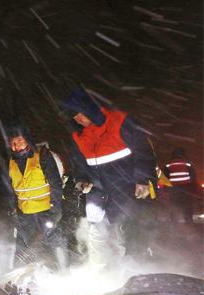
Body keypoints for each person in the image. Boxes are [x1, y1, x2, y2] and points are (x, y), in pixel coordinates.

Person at [60, 90, 157, 271]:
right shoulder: (78, 136)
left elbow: (142, 151)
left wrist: (143, 179)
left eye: (79, 114)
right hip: (97, 190)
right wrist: (82, 179)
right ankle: (101, 270)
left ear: (89, 108)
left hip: (125, 187)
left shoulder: (120, 121)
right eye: (74, 117)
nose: (77, 120)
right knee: (96, 232)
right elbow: (79, 162)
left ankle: (131, 272)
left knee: (126, 230)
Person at [1, 120, 69, 272]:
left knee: (55, 240)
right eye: (12, 142)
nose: (16, 146)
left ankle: (64, 272)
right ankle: (33, 273)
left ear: (27, 139)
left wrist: (56, 210)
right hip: (25, 212)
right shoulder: (9, 161)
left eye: (19, 141)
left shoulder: (42, 155)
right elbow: (8, 188)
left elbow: (55, 184)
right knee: (27, 243)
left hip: (47, 209)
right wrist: (12, 208)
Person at [164, 147, 199, 224]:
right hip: (186, 188)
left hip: (174, 189)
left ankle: (173, 222)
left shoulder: (169, 163)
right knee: (187, 206)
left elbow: (166, 176)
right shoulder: (187, 162)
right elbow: (192, 175)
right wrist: (194, 187)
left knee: (174, 205)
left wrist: (166, 188)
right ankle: (189, 222)